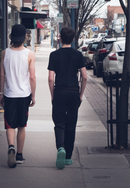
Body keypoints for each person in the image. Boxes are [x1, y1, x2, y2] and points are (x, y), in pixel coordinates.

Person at [47, 27, 87, 169]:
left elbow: (51, 78)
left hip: (60, 92)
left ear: (60, 38)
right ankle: (68, 157)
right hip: (73, 92)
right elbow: (85, 76)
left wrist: (53, 94)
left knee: (59, 123)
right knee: (71, 124)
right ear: (73, 39)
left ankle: (60, 148)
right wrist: (80, 94)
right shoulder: (78, 55)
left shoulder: (54, 55)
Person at [0, 24, 36, 168]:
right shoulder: (30, 54)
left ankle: (11, 148)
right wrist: (33, 95)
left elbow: (2, 75)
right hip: (24, 94)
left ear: (11, 38)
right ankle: (19, 155)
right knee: (22, 125)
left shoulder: (5, 53)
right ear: (24, 38)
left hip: (9, 94)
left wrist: (1, 93)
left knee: (10, 125)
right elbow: (32, 77)